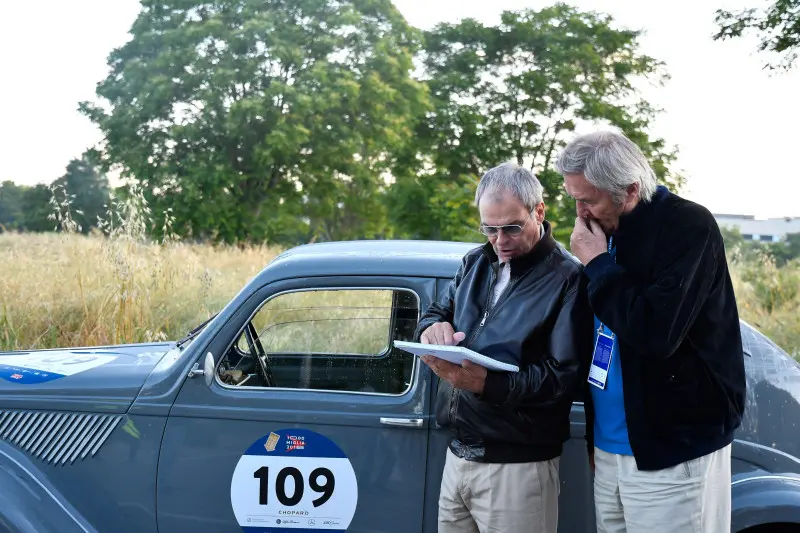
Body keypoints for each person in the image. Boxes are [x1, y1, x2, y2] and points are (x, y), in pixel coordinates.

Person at [554, 130, 747, 533]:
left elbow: (656, 332)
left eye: (588, 199)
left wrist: (597, 264)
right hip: (610, 447)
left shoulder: (687, 225)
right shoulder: (602, 230)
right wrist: (595, 438)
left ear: (628, 190)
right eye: (574, 197)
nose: (579, 211)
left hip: (672, 449)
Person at [413, 161, 593, 533]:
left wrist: (485, 384)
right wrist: (432, 329)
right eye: (489, 228)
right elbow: (435, 312)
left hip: (519, 467)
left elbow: (565, 379)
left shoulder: (568, 278)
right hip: (458, 456)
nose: (499, 240)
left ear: (538, 211)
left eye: (511, 227)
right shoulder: (475, 261)